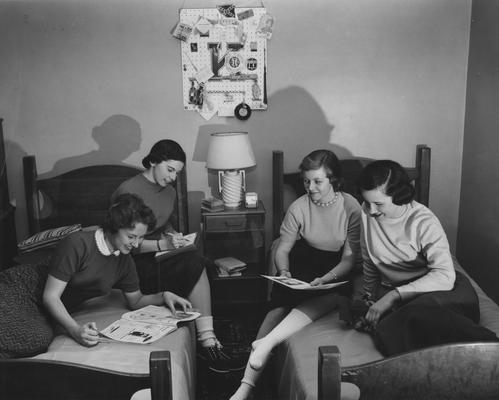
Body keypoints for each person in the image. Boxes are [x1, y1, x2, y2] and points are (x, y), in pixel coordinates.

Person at [230, 149, 362, 400]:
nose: (310, 187)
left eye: (317, 181)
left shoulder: (351, 207)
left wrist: (326, 279)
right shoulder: (298, 207)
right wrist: (284, 271)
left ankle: (266, 345)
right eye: (306, 181)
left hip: (337, 266)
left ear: (333, 180)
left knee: (334, 298)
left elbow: (349, 258)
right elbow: (283, 248)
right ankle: (245, 386)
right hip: (304, 260)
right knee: (277, 309)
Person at [0, 193, 191, 358]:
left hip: (43, 308)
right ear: (114, 227)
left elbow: (136, 300)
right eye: (131, 236)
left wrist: (163, 295)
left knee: (39, 338)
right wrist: (75, 330)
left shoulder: (124, 260)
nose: (136, 243)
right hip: (19, 290)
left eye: (141, 237)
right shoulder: (77, 243)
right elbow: (51, 296)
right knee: (37, 339)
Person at [111, 139, 243, 373]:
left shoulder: (170, 192)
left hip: (159, 255)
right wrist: (165, 244)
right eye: (170, 170)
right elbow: (126, 243)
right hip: (133, 263)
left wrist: (176, 237)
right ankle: (208, 342)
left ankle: (207, 337)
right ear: (153, 161)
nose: (173, 177)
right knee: (193, 263)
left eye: (177, 173)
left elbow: (164, 225)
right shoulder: (128, 190)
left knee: (199, 259)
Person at [356, 160, 497, 356]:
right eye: (366, 202)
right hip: (407, 298)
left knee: (409, 318)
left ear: (398, 195)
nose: (371, 210)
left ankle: (491, 350)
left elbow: (445, 276)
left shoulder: (423, 221)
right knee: (383, 326)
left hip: (443, 290)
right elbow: (370, 259)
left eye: (378, 203)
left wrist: (393, 296)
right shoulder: (367, 213)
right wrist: (370, 300)